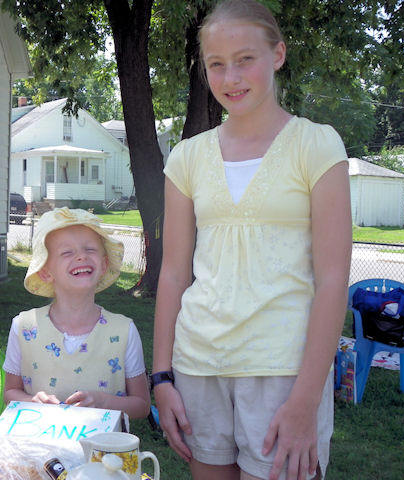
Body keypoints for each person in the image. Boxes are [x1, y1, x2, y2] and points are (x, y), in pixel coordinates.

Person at [152, 1, 352, 479]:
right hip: (199, 364)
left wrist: (306, 399)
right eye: (216, 64)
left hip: (284, 371)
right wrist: (161, 377)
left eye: (245, 59)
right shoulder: (186, 157)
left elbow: (332, 280)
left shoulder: (316, 145)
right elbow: (174, 273)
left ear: (277, 55)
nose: (231, 77)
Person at [2, 207, 150, 419]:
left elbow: (142, 405)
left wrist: (103, 402)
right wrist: (32, 402)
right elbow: (9, 393)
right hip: (41, 439)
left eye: (90, 249)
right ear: (45, 271)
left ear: (104, 264)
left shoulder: (124, 331)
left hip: (104, 441)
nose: (81, 256)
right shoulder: (24, 326)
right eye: (67, 252)